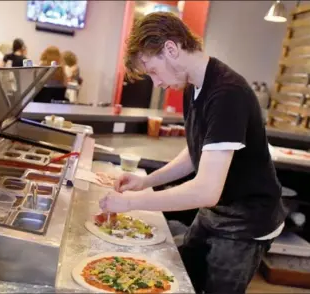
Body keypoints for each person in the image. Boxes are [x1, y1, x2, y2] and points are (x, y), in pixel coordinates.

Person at [99, 12, 286, 294]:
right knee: (181, 280)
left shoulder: (227, 93)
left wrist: (130, 203)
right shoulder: (194, 86)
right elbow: (195, 151)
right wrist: (147, 182)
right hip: (215, 211)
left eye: (152, 70)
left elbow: (206, 190)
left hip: (246, 222)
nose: (156, 82)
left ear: (171, 49)